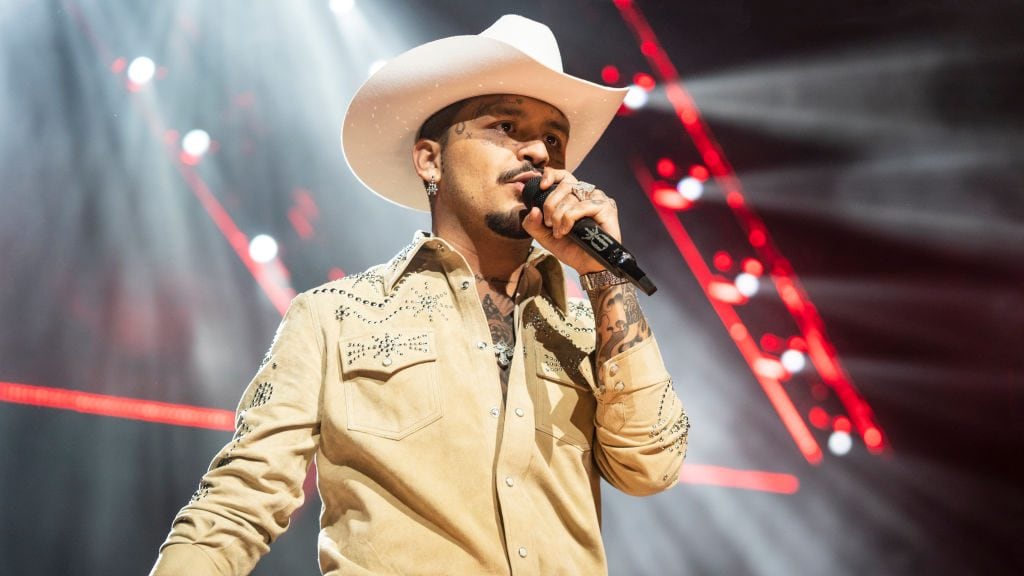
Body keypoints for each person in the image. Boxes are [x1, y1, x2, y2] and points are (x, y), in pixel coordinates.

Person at [150, 14, 689, 575]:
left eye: (553, 139)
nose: (537, 152)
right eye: (506, 126)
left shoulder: (587, 330)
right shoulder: (333, 317)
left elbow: (650, 468)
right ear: (430, 159)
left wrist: (606, 280)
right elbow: (238, 505)